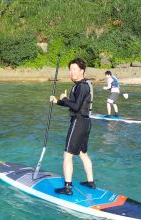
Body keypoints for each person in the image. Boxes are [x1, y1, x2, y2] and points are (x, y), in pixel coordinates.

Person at [50, 58, 95, 196]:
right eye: (70, 70)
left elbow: (75, 106)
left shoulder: (82, 86)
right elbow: (74, 104)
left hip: (78, 122)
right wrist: (58, 102)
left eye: (74, 69)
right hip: (86, 123)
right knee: (83, 153)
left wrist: (64, 99)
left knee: (67, 155)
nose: (71, 72)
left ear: (82, 70)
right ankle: (90, 182)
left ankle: (67, 188)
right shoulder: (82, 85)